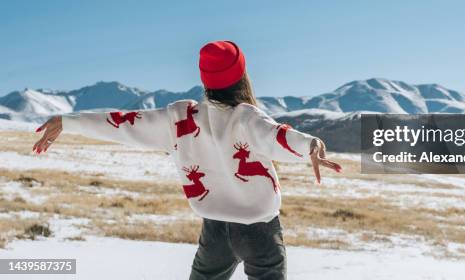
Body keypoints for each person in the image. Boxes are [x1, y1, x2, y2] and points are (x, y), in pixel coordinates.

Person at [32, 40, 342, 280]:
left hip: (215, 231)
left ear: (205, 79)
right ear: (242, 76)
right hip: (260, 231)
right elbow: (279, 135)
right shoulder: (247, 119)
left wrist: (69, 121)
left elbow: (124, 122)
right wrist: (312, 145)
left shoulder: (177, 118)